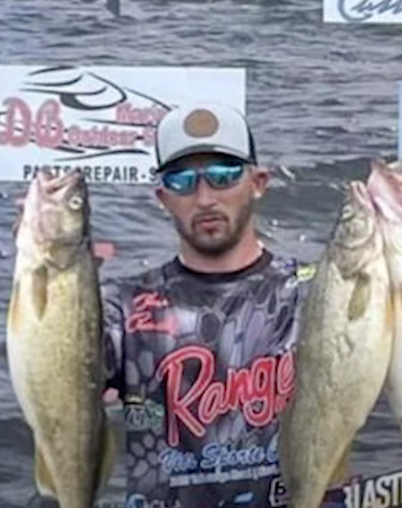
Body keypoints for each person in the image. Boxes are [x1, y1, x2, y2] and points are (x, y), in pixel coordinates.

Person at [17, 103, 350, 507]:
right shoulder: (122, 307)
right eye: (182, 180)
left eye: (224, 175)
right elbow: (58, 383)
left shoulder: (315, 294)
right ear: (162, 196)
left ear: (258, 182)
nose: (205, 197)